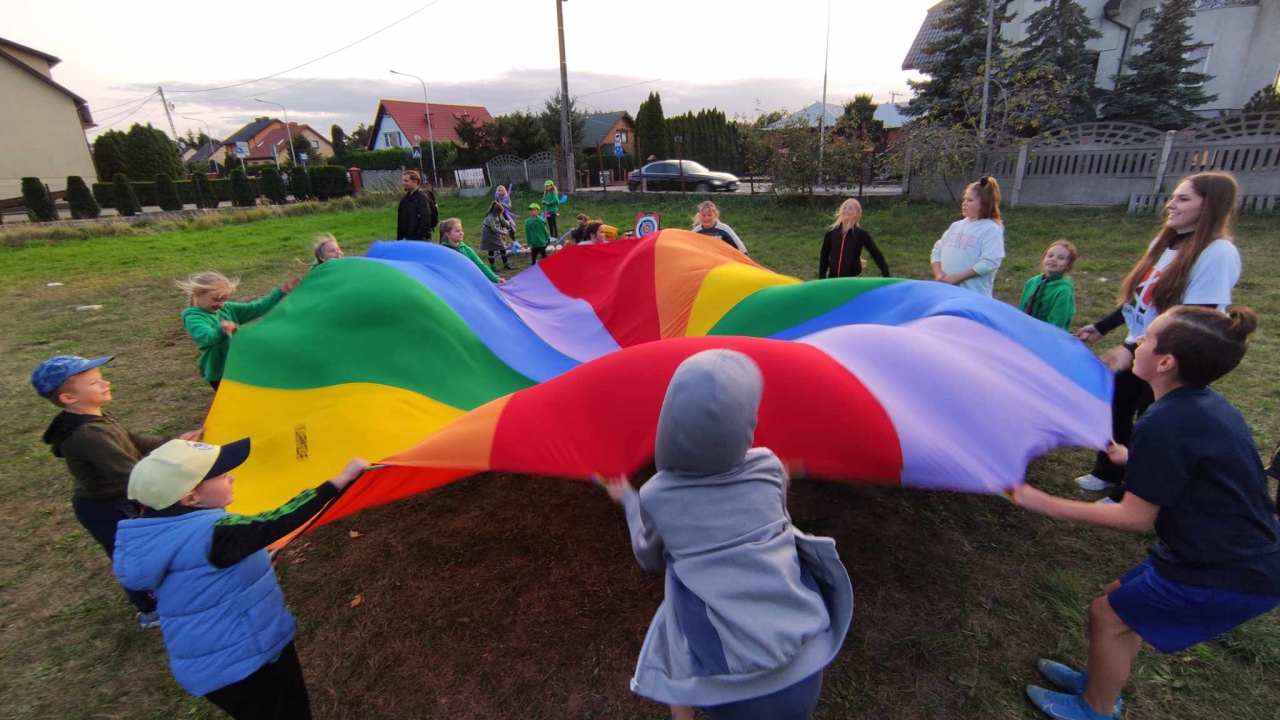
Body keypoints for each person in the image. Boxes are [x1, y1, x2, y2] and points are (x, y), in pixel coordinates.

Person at [1013, 306, 1280, 720]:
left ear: (1165, 362)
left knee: (1108, 616)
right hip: (1218, 549)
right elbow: (1194, 467)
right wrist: (1130, 458)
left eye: (1147, 337)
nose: (1136, 341)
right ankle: (1100, 682)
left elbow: (1134, 519)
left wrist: (1045, 502)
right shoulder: (1201, 405)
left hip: (1229, 569)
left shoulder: (1166, 421)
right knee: (1113, 602)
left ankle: (1097, 709)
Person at [601, 349, 853, 720]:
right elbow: (776, 508)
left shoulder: (658, 495)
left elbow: (647, 554)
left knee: (671, 625)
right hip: (805, 664)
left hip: (733, 692)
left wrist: (628, 499)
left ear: (668, 424)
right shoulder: (768, 466)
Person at [113, 438, 369, 719]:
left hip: (212, 666)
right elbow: (278, 520)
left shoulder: (155, 533)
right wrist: (341, 479)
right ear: (190, 498)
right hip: (246, 661)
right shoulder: (215, 533)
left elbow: (199, 574)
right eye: (222, 475)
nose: (232, 477)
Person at [1073, 172, 1242, 501]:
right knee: (1115, 407)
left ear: (1209, 206)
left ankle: (1130, 490)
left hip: (1172, 358)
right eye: (1173, 197)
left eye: (1183, 199)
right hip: (1143, 346)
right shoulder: (1164, 243)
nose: (1170, 204)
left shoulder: (1217, 253)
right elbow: (1140, 300)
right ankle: (1108, 470)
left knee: (1152, 422)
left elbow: (1192, 316)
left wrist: (1129, 346)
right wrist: (1102, 327)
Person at [31, 355, 201, 628]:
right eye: (95, 382)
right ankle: (150, 610)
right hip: (106, 507)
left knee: (149, 544)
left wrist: (173, 443)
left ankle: (163, 589)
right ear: (68, 398)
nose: (105, 382)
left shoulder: (93, 416)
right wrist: (179, 480)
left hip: (122, 497)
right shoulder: (87, 434)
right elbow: (130, 474)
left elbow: (134, 441)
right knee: (132, 556)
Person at [178, 271, 298, 391]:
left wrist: (280, 292)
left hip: (238, 366)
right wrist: (222, 329)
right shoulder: (194, 317)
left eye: (224, 299)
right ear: (197, 294)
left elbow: (257, 308)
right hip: (220, 373)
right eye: (216, 299)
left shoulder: (227, 308)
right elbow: (208, 337)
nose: (221, 304)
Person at [930, 175, 1005, 296]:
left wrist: (956, 278)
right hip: (947, 292)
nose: (964, 204)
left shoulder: (991, 229)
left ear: (984, 203)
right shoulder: (956, 226)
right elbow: (937, 250)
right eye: (964, 199)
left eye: (970, 200)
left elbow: (989, 263)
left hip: (973, 296)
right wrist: (939, 275)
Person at [818, 198, 889, 279]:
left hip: (853, 279)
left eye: (850, 208)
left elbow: (876, 254)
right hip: (834, 278)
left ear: (857, 213)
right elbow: (824, 256)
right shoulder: (831, 233)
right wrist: (821, 277)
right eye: (844, 208)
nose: (846, 210)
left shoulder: (861, 234)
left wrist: (886, 275)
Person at [1018, 241, 1077, 331]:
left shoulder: (1063, 291)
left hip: (1047, 337)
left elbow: (1056, 323)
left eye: (1061, 258)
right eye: (1050, 255)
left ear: (1068, 266)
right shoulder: (1032, 282)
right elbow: (1021, 310)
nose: (1053, 259)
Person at [439, 218, 502, 284]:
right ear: (448, 234)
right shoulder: (442, 251)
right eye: (457, 231)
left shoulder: (467, 250)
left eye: (461, 230)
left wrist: (496, 278)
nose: (461, 233)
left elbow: (481, 265)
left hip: (468, 284)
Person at [397, 170, 433, 241]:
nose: (403, 183)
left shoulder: (422, 197)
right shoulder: (404, 200)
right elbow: (401, 221)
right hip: (407, 239)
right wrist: (400, 239)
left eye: (406, 181)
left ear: (415, 182)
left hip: (419, 240)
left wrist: (421, 237)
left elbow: (426, 219)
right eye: (403, 180)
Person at [480, 201, 515, 271]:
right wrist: (502, 233)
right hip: (488, 233)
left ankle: (506, 265)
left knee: (502, 247)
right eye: (498, 213)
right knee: (491, 249)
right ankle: (493, 267)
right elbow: (493, 228)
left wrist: (510, 227)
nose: (499, 215)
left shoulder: (499, 214)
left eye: (500, 213)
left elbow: (503, 221)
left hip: (496, 232)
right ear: (493, 211)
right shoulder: (490, 216)